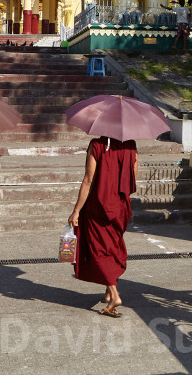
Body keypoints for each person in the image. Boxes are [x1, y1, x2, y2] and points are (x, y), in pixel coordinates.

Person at [68, 136, 138, 318]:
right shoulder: (131, 145)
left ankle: (114, 296)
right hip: (121, 206)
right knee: (112, 246)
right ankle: (109, 291)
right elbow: (133, 179)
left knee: (99, 249)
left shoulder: (97, 145)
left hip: (98, 207)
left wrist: (76, 211)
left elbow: (88, 180)